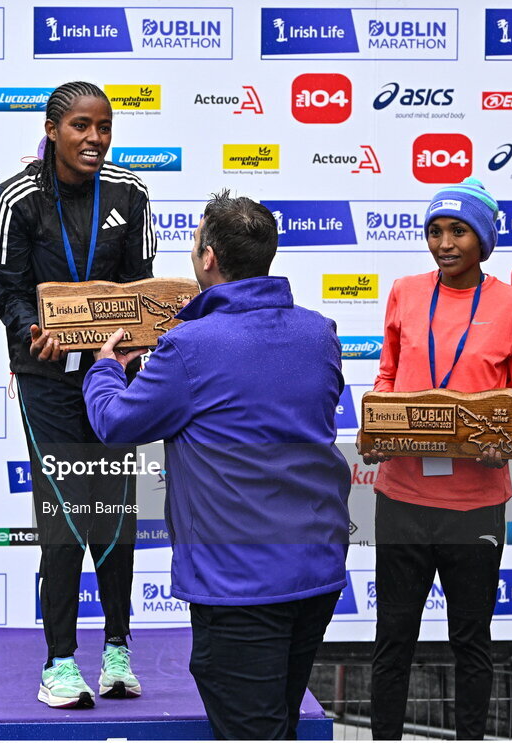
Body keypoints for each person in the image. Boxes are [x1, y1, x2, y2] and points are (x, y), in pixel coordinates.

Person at [83, 191, 351, 739]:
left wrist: (106, 368)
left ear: (208, 258)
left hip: (242, 584)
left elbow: (114, 424)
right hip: (316, 571)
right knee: (275, 725)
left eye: (195, 241)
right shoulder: (319, 332)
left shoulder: (189, 348)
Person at [0, 81, 156, 708]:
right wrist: (33, 328)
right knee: (63, 512)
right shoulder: (17, 196)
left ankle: (117, 649)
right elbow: (6, 287)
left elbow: (141, 287)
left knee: (114, 508)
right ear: (54, 129)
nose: (94, 138)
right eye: (81, 126)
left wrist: (128, 344)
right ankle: (58, 660)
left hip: (112, 375)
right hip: (47, 379)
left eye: (103, 127)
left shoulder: (129, 192)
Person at [360, 178, 512, 740]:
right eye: (435, 231)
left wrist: (504, 428)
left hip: (475, 501)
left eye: (458, 231)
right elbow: (386, 375)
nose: (444, 243)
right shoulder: (404, 291)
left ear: (483, 239)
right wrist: (379, 420)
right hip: (402, 497)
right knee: (393, 639)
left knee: (470, 641)